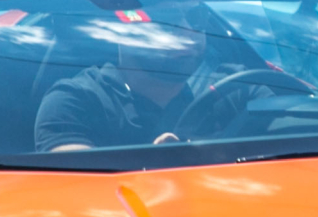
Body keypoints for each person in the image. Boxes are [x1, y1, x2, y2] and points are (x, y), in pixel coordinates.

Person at [35, 18, 209, 151]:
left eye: (196, 17)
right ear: (122, 33)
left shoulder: (221, 98)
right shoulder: (74, 101)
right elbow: (76, 189)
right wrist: (155, 163)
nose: (187, 30)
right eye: (167, 20)